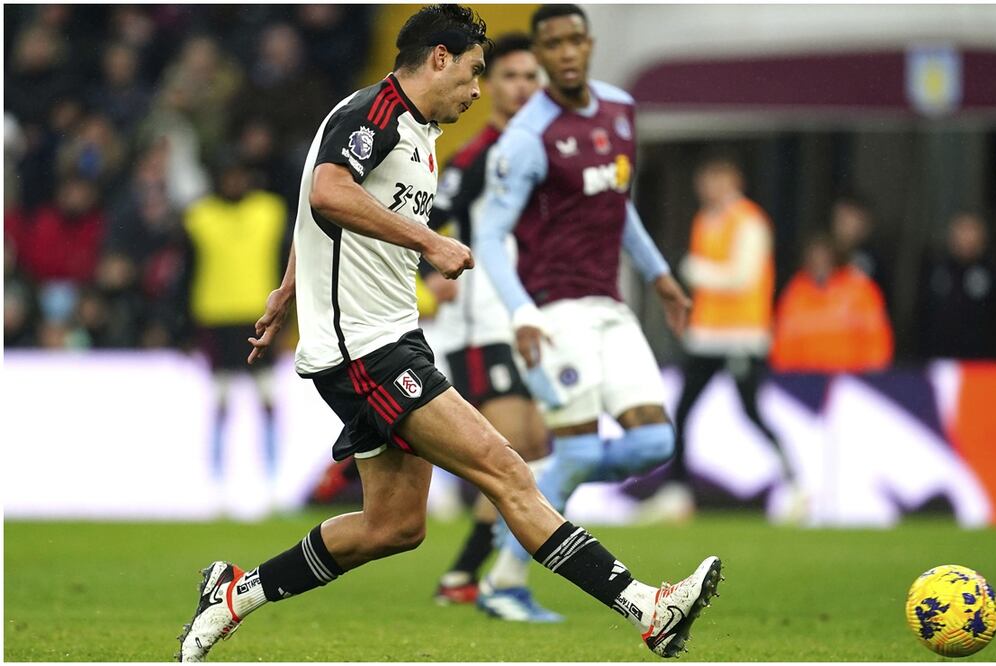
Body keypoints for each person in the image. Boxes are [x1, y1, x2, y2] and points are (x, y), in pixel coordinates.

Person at [177, 6, 720, 662]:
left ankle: (235, 595)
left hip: (386, 340)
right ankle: (644, 606)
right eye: (472, 74)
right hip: (364, 351)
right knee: (507, 470)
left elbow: (320, 208)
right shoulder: (371, 114)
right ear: (438, 58)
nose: (476, 90)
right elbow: (325, 191)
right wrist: (430, 241)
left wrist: (290, 288)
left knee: (394, 526)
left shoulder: (417, 131)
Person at [472, 4, 694, 623]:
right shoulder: (526, 137)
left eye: (575, 40)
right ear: (539, 56)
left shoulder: (622, 110)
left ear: (589, 45)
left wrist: (660, 275)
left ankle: (539, 476)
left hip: (611, 304)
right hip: (556, 310)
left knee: (655, 440)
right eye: (554, 44)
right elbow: (490, 237)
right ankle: (504, 584)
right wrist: (521, 314)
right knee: (578, 445)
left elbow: (617, 205)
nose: (567, 52)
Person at [418, 33, 554, 615]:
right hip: (480, 325)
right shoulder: (476, 156)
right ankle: (479, 578)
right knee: (513, 452)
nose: (521, 87)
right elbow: (430, 217)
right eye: (511, 77)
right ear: (489, 85)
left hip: (529, 321)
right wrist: (432, 271)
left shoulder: (542, 154)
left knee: (538, 447)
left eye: (531, 78)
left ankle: (469, 576)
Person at [641, 158, 797, 524]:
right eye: (705, 180)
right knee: (683, 410)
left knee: (751, 412)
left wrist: (696, 271)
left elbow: (742, 277)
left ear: (733, 180)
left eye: (716, 179)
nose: (708, 188)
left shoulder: (750, 222)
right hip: (709, 336)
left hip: (742, 335)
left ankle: (794, 485)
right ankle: (677, 492)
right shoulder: (705, 220)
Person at [179, 153, 288, 504]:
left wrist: (289, 319)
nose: (234, 183)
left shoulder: (270, 213)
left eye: (239, 175)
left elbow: (288, 263)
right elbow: (185, 273)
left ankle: (273, 480)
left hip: (259, 318)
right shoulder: (199, 218)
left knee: (268, 398)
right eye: (228, 176)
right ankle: (216, 483)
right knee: (221, 401)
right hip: (216, 320)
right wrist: (181, 325)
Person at [770, 234, 893, 372]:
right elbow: (783, 344)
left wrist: (872, 375)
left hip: (852, 380)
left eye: (824, 258)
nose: (819, 263)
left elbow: (876, 337)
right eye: (814, 259)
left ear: (835, 258)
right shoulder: (794, 294)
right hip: (806, 381)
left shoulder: (859, 290)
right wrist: (788, 377)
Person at [916, 212, 996, 360]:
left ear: (982, 237)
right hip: (941, 361)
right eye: (961, 230)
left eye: (971, 230)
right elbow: (922, 316)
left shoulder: (994, 273)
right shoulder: (937, 270)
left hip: (982, 363)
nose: (966, 237)